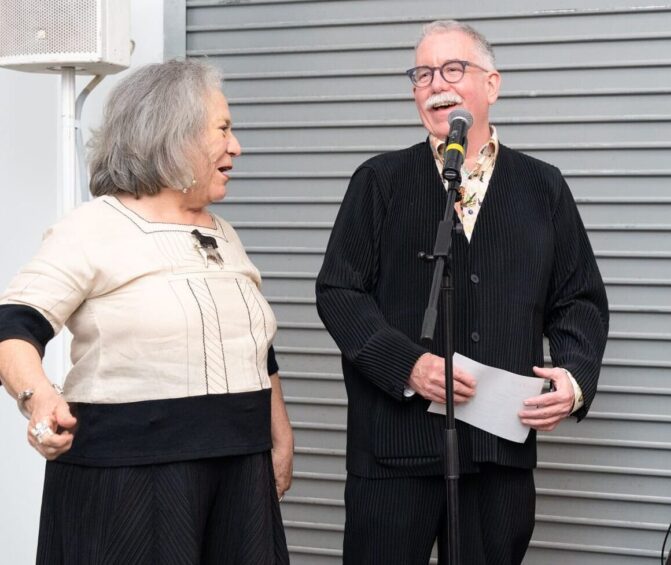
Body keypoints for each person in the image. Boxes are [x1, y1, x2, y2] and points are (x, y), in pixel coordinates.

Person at [316, 19, 609, 564]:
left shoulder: (542, 185)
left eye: (453, 68)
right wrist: (406, 365)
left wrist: (572, 380)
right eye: (422, 73)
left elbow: (579, 299)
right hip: (393, 452)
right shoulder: (379, 181)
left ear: (492, 85)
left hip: (498, 451)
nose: (435, 84)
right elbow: (339, 291)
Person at [0, 59, 293, 564]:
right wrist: (38, 398)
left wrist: (279, 433)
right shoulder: (92, 228)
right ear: (172, 136)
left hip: (239, 470)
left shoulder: (223, 234)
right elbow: (15, 323)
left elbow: (254, 343)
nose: (236, 146)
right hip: (132, 478)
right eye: (223, 129)